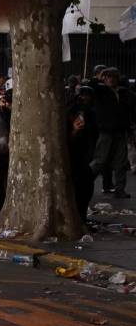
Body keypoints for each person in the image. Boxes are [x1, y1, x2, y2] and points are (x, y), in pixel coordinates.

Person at [90, 67, 130, 198]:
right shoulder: (101, 90)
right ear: (104, 78)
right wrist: (98, 77)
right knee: (99, 160)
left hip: (120, 131)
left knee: (121, 162)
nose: (111, 79)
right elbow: (91, 86)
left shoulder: (123, 92)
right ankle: (84, 182)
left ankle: (120, 189)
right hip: (106, 131)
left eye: (113, 77)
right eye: (108, 77)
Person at [68, 87, 99, 221]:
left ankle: (81, 216)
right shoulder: (70, 111)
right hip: (71, 154)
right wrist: (74, 131)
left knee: (85, 186)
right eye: (82, 96)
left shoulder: (91, 113)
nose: (85, 99)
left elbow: (93, 132)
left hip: (83, 154)